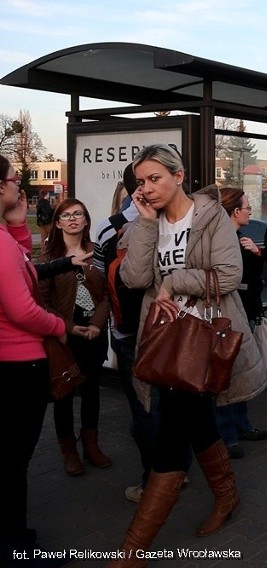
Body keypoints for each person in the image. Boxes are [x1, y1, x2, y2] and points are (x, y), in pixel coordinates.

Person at [107, 144, 266, 565]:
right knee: (196, 420)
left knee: (171, 435)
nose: (147, 188)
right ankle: (226, 495)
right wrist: (142, 225)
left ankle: (132, 550)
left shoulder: (210, 216)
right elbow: (135, 276)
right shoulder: (148, 221)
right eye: (141, 181)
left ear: (179, 176)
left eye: (155, 178)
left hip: (203, 339)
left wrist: (174, 281)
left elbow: (229, 274)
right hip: (164, 339)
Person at [0, 156, 70, 566]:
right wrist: (58, 326)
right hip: (17, 364)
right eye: (13, 181)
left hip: (11, 361)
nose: (20, 187)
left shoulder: (5, 237)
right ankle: (16, 549)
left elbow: (23, 261)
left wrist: (14, 218)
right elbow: (23, 308)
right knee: (14, 460)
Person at [38, 198, 112, 476]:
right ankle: (69, 451)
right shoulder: (48, 258)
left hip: (94, 333)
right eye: (66, 215)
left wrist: (96, 323)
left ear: (86, 221)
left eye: (78, 214)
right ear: (57, 223)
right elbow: (42, 302)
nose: (72, 219)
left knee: (92, 391)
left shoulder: (98, 252)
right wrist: (68, 327)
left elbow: (107, 293)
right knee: (64, 394)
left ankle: (91, 446)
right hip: (65, 336)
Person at [215, 187, 267, 460]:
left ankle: (241, 425)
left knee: (242, 371)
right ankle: (228, 435)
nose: (250, 211)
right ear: (235, 212)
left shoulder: (240, 238)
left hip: (244, 312)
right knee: (227, 375)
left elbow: (254, 280)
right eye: (247, 207)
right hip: (226, 317)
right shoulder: (222, 241)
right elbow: (234, 281)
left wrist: (255, 255)